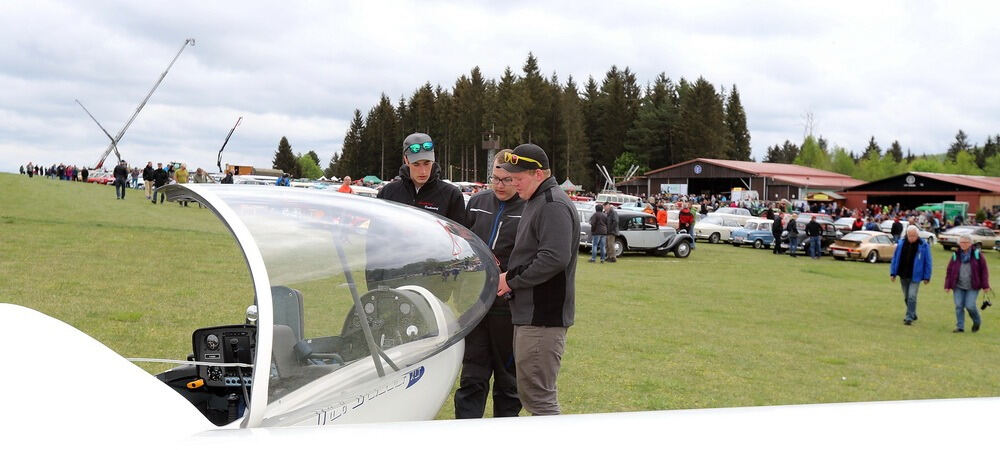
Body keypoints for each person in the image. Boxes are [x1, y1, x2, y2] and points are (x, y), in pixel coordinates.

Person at [496, 143, 578, 416]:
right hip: (531, 316)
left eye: (518, 178)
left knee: (539, 400)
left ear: (539, 174)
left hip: (542, 318)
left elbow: (554, 258)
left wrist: (511, 279)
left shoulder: (552, 204)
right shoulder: (538, 200)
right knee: (533, 395)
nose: (513, 184)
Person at [454, 150, 525, 419]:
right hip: (475, 306)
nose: (499, 185)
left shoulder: (528, 208)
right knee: (472, 377)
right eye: (494, 178)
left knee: (508, 382)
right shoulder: (477, 201)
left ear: (518, 179)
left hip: (509, 309)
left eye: (506, 180)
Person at [376, 132, 465, 224]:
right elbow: (377, 230)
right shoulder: (388, 192)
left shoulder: (451, 195)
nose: (423, 171)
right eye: (416, 164)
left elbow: (459, 236)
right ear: (406, 160)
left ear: (433, 160)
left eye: (427, 163)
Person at [944, 234, 990, 333]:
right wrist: (947, 285)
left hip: (973, 285)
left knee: (970, 305)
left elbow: (984, 271)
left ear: (970, 244)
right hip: (958, 285)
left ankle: (977, 321)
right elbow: (949, 270)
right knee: (959, 305)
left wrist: (985, 285)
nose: (963, 244)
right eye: (961, 242)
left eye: (965, 242)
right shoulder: (956, 255)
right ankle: (960, 327)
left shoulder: (977, 255)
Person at [890, 225, 933, 325]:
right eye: (910, 236)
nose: (911, 238)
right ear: (907, 235)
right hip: (903, 274)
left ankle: (909, 317)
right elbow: (895, 258)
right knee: (906, 297)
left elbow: (928, 262)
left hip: (916, 276)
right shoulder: (900, 244)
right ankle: (913, 313)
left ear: (917, 235)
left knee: (912, 296)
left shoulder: (923, 245)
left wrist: (927, 276)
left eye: (914, 236)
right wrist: (893, 273)